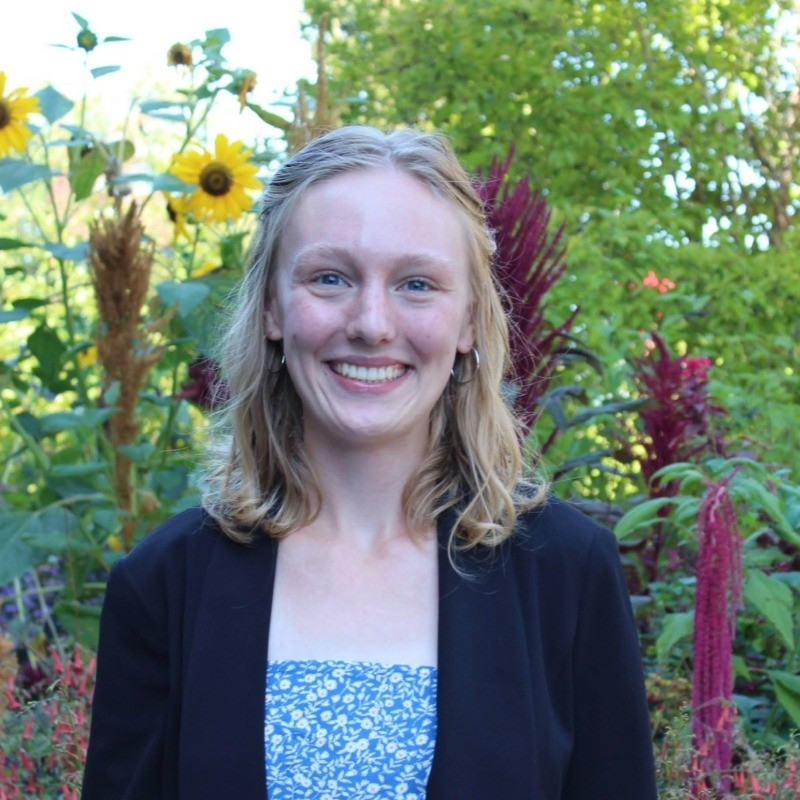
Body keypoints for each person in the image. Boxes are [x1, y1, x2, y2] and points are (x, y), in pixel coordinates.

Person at [82, 126, 658, 800]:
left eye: (416, 283)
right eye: (330, 278)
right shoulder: (163, 587)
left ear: (470, 320)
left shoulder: (567, 575)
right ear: (272, 306)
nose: (372, 323)